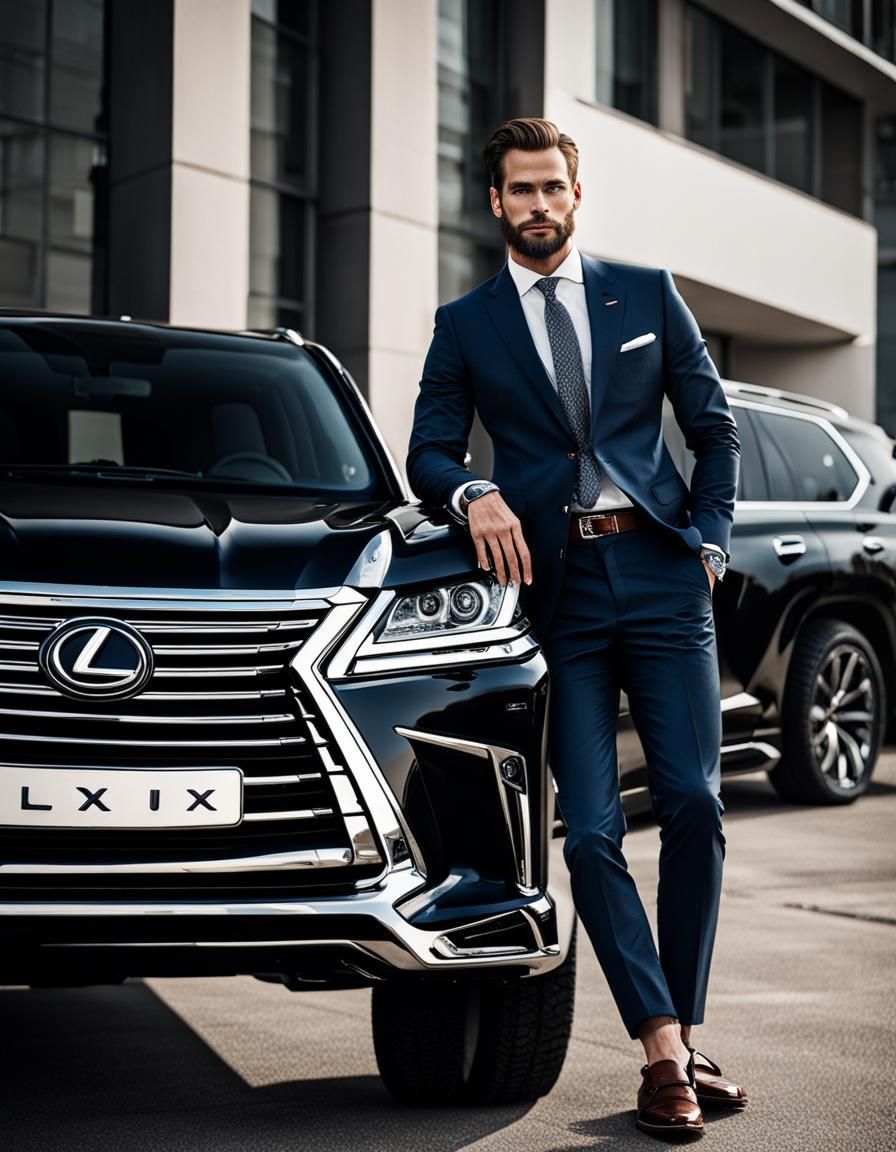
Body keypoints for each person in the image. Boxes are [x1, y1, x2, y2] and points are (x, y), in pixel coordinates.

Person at [407, 117, 746, 1138]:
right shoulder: (465, 323)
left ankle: (678, 1034)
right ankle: (662, 1054)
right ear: (495, 204)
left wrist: (708, 541)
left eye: (551, 186)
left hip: (657, 572)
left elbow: (711, 427)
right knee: (590, 831)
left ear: (574, 192)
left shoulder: (645, 293)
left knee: (693, 804)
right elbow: (426, 446)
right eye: (519, 191)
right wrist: (473, 492)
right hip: (557, 597)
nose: (538, 204)